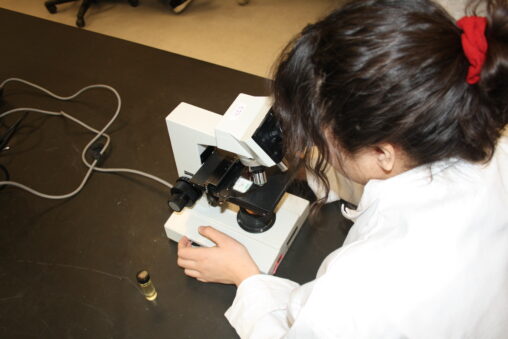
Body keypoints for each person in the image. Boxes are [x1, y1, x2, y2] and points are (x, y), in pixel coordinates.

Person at [176, 0, 508, 337]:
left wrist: (246, 277)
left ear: (383, 152)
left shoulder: (359, 291)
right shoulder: (491, 149)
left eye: (321, 134)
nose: (317, 145)